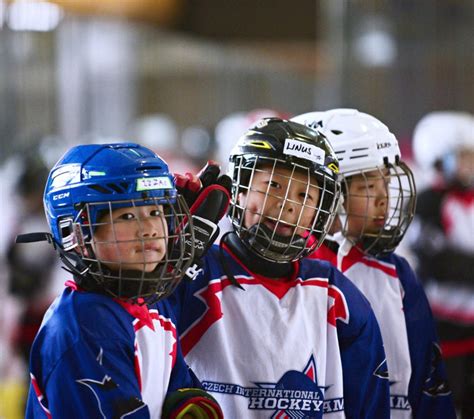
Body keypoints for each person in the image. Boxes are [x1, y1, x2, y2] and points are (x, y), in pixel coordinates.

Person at [171, 117, 390, 418]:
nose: (288, 204)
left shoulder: (336, 295)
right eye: (273, 185)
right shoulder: (196, 274)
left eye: (305, 195)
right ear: (240, 190)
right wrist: (171, 257)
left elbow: (368, 404)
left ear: (319, 211)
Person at [18, 143, 224, 418]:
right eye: (127, 216)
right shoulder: (84, 326)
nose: (150, 229)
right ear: (75, 233)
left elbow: (185, 397)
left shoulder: (150, 305)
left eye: (156, 212)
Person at [293, 108, 456, 418]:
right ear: (328, 192)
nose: (384, 198)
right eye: (368, 187)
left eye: (385, 184)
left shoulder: (396, 272)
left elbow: (427, 375)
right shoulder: (288, 269)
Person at [409, 111, 474, 418]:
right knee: (445, 405)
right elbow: (437, 262)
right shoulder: (429, 202)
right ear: (438, 158)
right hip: (443, 330)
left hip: (471, 325)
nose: (470, 163)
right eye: (463, 156)